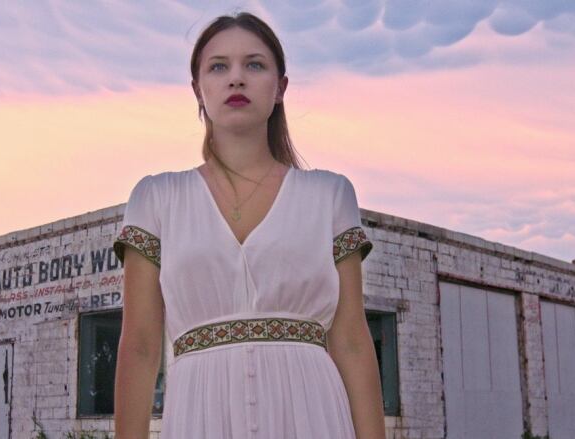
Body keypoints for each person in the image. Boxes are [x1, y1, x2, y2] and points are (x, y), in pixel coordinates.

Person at [114, 11, 386, 439]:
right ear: (197, 90)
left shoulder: (330, 196)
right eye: (218, 66)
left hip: (314, 417)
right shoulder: (156, 198)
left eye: (254, 64)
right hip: (199, 421)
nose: (236, 78)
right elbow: (141, 346)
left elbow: (352, 339)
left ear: (280, 89)